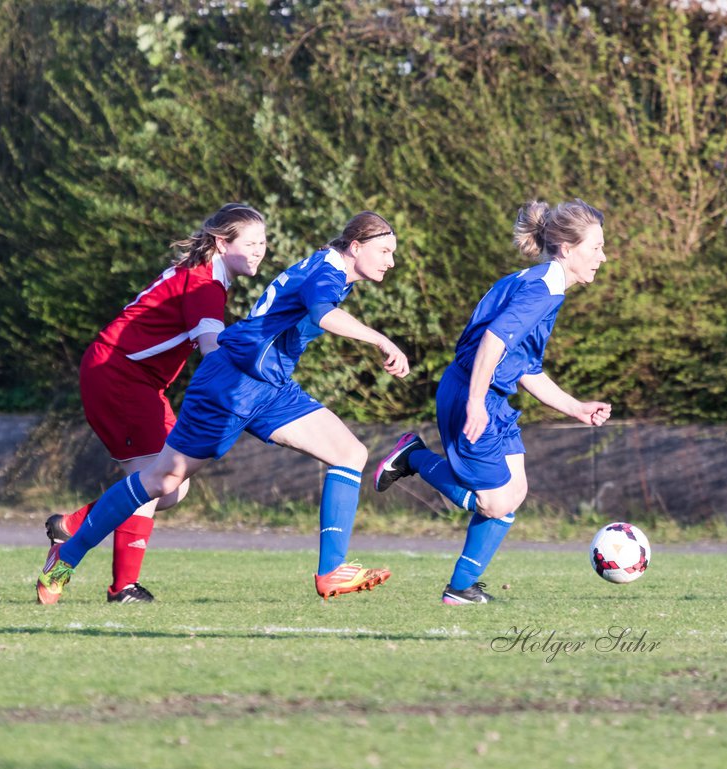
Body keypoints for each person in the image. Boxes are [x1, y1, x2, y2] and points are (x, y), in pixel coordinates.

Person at [38, 211, 409, 604]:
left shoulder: (327, 267)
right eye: (384, 250)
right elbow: (322, 314)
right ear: (355, 247)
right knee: (162, 481)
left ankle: (332, 571)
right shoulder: (326, 273)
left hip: (271, 386)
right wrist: (381, 340)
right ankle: (67, 557)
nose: (391, 261)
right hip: (232, 382)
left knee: (350, 453)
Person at [373, 199, 610, 604]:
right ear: (567, 249)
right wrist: (477, 402)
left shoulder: (540, 283)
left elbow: (524, 366)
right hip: (470, 391)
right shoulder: (541, 290)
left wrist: (574, 407)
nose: (602, 258)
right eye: (596, 247)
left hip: (492, 395)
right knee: (494, 500)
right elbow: (492, 341)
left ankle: (461, 589)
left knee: (514, 492)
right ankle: (413, 457)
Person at [43, 204, 267, 603]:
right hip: (119, 374)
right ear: (221, 242)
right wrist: (247, 385)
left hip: (138, 380)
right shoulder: (204, 283)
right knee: (151, 479)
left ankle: (75, 525)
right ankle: (121, 586)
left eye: (263, 243)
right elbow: (212, 348)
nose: (259, 251)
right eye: (250, 242)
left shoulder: (206, 278)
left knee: (170, 486)